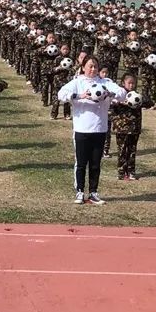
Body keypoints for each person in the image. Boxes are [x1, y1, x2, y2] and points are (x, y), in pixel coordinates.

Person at [57, 56, 123, 205]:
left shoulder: (105, 83)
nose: (93, 69)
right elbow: (61, 94)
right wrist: (79, 96)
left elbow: (122, 93)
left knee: (95, 164)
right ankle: (79, 191)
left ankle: (93, 192)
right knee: (81, 163)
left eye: (95, 67)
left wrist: (110, 94)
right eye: (90, 66)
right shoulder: (77, 82)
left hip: (100, 129)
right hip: (82, 129)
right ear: (83, 67)